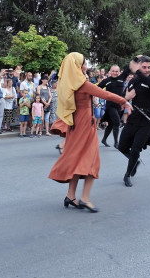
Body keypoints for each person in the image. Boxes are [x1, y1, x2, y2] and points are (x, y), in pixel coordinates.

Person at [48, 53, 132, 212]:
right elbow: (104, 94)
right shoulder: (82, 83)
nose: (86, 66)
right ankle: (85, 198)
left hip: (75, 123)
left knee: (77, 158)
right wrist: (124, 101)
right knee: (91, 160)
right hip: (85, 124)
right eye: (84, 63)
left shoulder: (68, 83)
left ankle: (71, 195)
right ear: (78, 66)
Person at [117, 56, 150, 187]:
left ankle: (127, 174)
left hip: (147, 119)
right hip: (134, 117)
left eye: (149, 67)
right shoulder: (134, 80)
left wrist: (137, 70)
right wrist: (125, 99)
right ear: (139, 66)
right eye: (144, 67)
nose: (147, 70)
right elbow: (126, 96)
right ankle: (134, 161)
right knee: (121, 146)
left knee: (135, 149)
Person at [98, 65, 129, 148]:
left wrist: (137, 59)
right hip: (110, 105)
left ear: (119, 72)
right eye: (113, 71)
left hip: (119, 106)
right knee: (117, 122)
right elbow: (96, 89)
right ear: (110, 72)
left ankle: (104, 139)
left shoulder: (122, 77)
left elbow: (129, 68)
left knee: (111, 124)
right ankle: (116, 143)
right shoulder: (106, 81)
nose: (115, 73)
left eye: (116, 71)